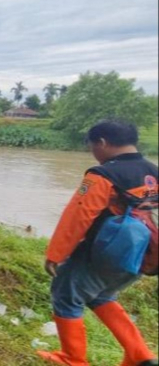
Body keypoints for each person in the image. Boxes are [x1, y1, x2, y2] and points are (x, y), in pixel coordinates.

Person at [38, 121, 158, 366]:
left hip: (107, 251)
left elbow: (79, 215)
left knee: (66, 294)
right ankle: (139, 355)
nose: (93, 151)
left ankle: (72, 358)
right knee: (101, 294)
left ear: (102, 142)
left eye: (92, 145)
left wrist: (56, 253)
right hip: (143, 253)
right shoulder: (153, 171)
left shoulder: (102, 175)